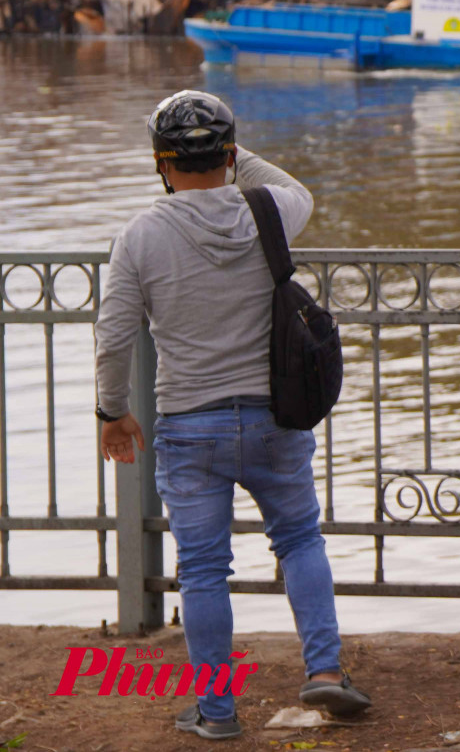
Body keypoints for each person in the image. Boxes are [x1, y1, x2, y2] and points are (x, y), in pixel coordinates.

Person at [96, 91, 372, 741]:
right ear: (228, 154)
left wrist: (113, 410)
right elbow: (293, 185)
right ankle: (326, 671)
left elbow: (112, 337)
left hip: (191, 427)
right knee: (301, 539)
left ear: (160, 164)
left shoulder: (139, 235)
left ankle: (217, 713)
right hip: (276, 418)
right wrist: (228, 149)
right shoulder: (268, 211)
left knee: (201, 568)